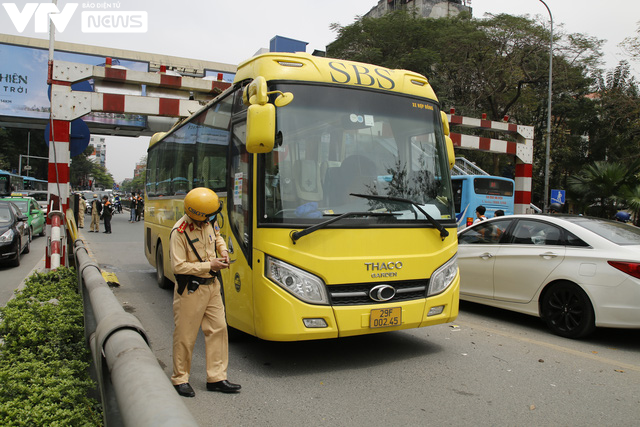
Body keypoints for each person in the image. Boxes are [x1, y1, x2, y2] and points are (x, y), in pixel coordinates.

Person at [169, 187, 240, 398]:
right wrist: (209, 265)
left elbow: (217, 236)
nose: (210, 220)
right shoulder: (179, 232)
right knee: (185, 335)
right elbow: (178, 267)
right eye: (207, 217)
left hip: (212, 286)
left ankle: (216, 378)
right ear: (196, 214)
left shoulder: (209, 221)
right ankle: (180, 378)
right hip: (191, 289)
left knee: (218, 330)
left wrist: (224, 251)